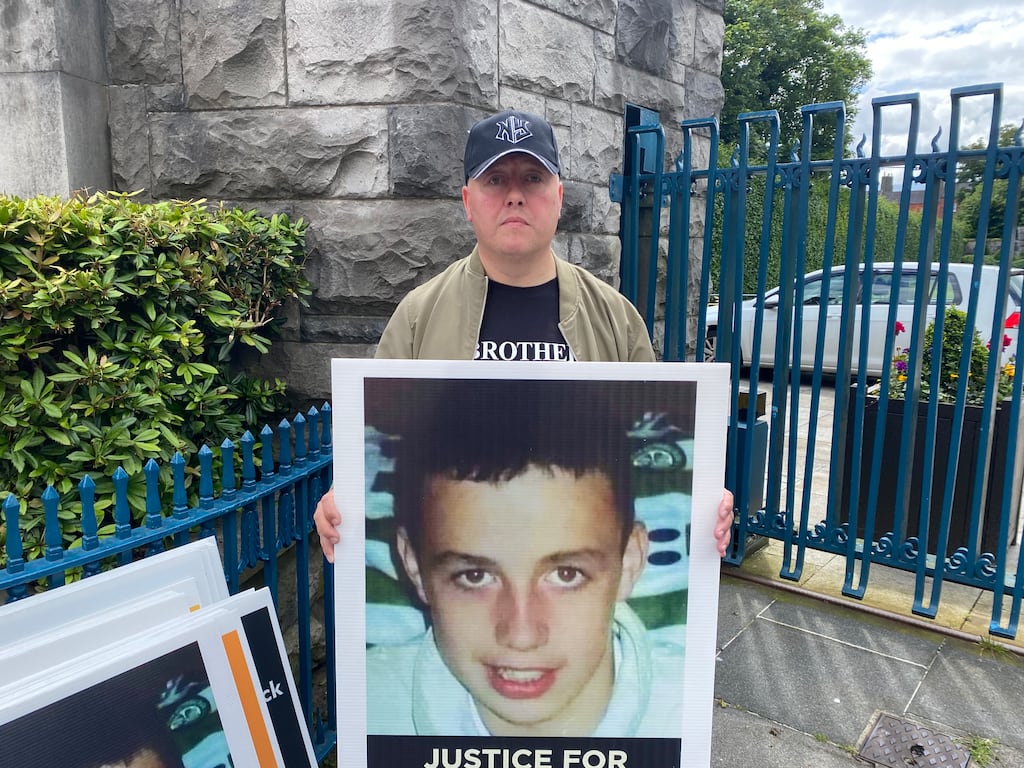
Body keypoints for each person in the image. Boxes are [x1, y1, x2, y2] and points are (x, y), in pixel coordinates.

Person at [314, 107, 734, 558]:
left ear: (558, 196)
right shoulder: (418, 318)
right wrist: (343, 503)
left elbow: (651, 459)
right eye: (495, 180)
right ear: (467, 201)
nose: (514, 195)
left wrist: (705, 502)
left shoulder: (616, 319)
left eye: (532, 179)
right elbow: (379, 453)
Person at [367, 378, 688, 737]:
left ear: (630, 561)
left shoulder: (684, 715)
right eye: (474, 577)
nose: (521, 636)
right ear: (413, 565)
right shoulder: (368, 708)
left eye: (567, 574)